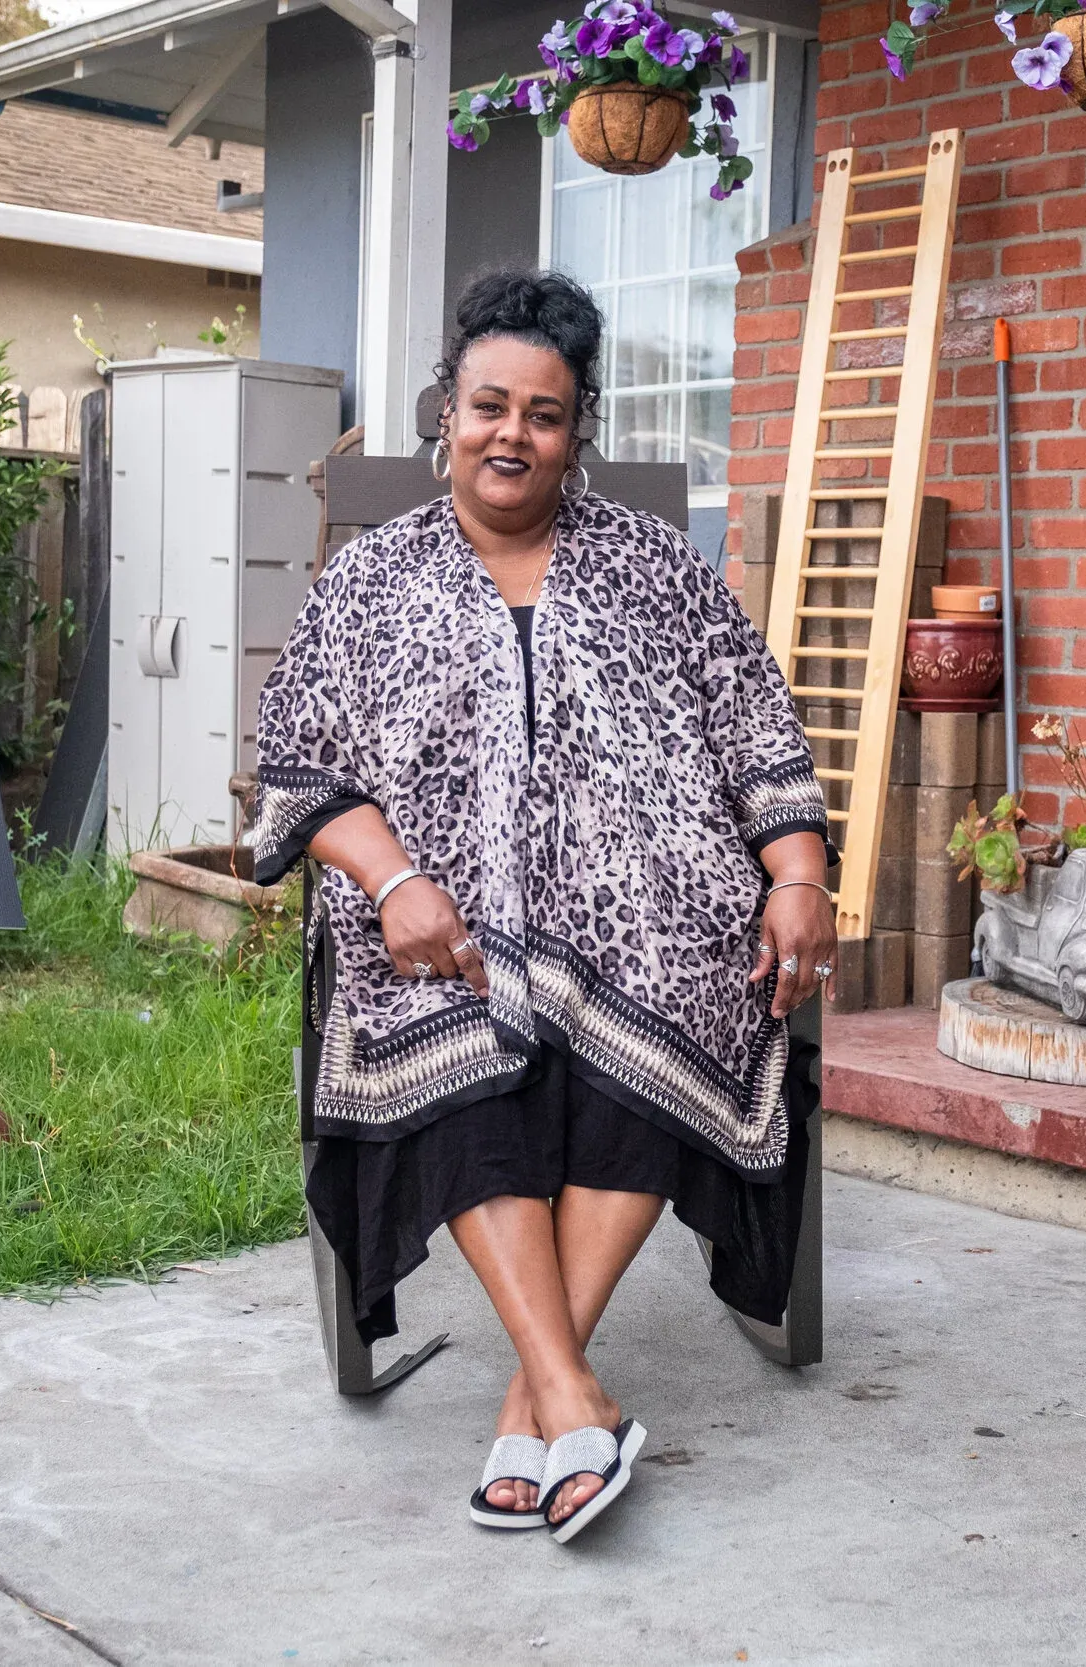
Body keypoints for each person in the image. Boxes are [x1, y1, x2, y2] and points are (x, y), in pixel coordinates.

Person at [251, 269, 835, 1542]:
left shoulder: (658, 572)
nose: (511, 434)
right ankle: (575, 1388)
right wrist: (395, 879)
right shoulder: (368, 584)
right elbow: (301, 763)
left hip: (655, 912)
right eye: (487, 406)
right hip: (438, 921)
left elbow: (758, 737)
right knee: (457, 1029)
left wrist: (796, 874)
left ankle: (537, 1397)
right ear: (443, 412)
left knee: (679, 993)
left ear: (580, 431)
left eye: (546, 414)